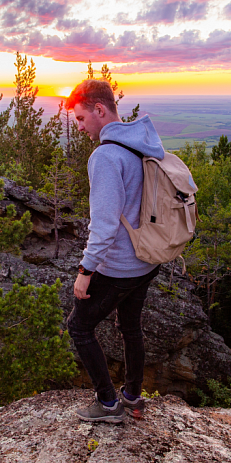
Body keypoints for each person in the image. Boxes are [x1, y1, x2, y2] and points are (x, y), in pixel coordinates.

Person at [64, 79, 163, 423]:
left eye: (80, 118)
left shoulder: (106, 156)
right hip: (148, 260)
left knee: (78, 327)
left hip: (119, 266)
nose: (79, 127)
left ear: (99, 110)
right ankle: (134, 397)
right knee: (130, 326)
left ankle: (108, 404)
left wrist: (85, 271)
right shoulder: (142, 145)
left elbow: (104, 225)